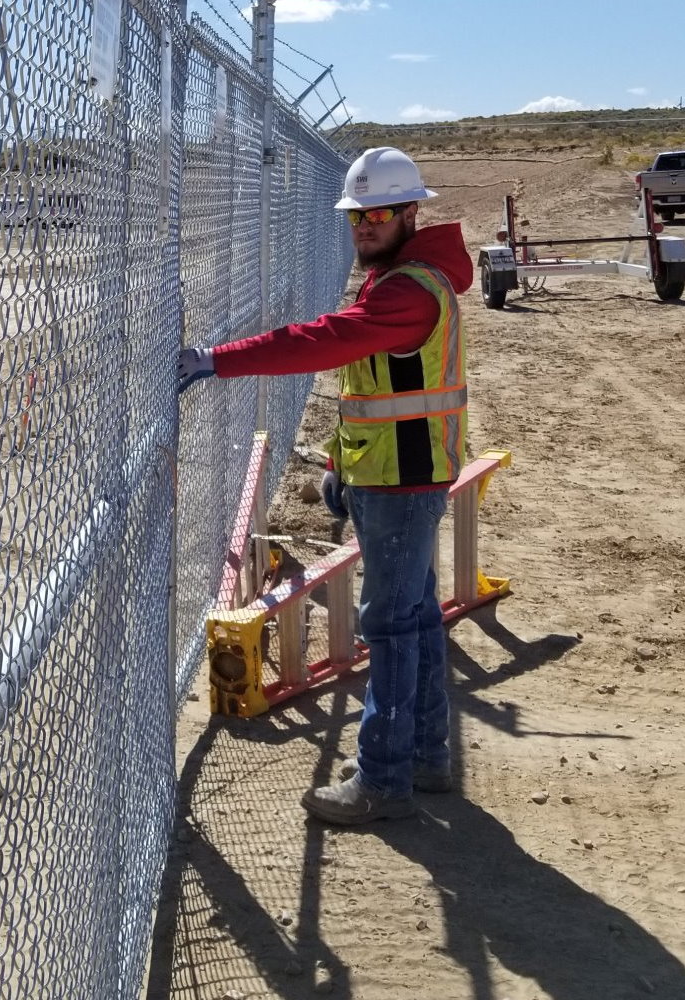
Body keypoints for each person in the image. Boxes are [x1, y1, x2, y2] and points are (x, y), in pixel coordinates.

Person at [177, 147, 472, 825]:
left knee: (391, 628)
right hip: (392, 473)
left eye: (377, 214)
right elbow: (372, 385)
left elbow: (324, 342)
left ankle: (382, 779)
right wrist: (341, 463)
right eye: (355, 216)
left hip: (401, 481)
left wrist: (220, 360)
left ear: (409, 213)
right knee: (415, 618)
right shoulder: (404, 276)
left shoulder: (404, 290)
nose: (362, 226)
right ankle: (423, 755)